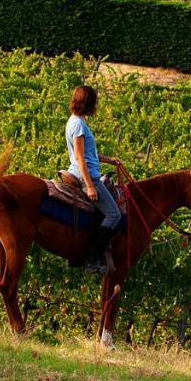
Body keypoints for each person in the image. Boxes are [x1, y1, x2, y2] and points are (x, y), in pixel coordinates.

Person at [66, 85, 121, 274]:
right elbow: (80, 157)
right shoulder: (80, 126)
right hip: (86, 176)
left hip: (83, 171)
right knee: (114, 214)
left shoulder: (74, 121)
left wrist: (109, 160)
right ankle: (93, 259)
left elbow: (88, 154)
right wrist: (90, 185)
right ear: (89, 103)